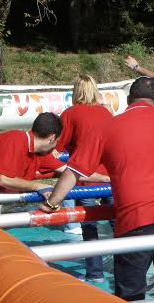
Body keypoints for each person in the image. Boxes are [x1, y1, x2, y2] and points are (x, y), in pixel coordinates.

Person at [40, 77, 154, 302]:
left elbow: (74, 171)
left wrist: (51, 203)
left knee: (131, 300)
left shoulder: (107, 126)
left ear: (128, 100)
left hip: (135, 221)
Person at [56, 74, 115, 282]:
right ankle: (128, 266)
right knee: (118, 220)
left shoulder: (70, 114)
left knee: (89, 224)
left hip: (85, 175)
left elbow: (59, 144)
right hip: (109, 175)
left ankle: (95, 272)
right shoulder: (106, 113)